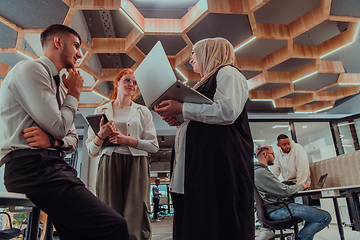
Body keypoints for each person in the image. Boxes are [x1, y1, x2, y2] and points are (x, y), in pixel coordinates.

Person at [0, 24, 129, 239]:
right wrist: (75, 93)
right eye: (76, 46)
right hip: (31, 168)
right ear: (58, 42)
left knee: (79, 234)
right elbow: (60, 128)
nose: (79, 54)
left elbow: (69, 139)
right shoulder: (31, 69)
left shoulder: (60, 88)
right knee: (115, 226)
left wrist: (53, 142)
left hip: (54, 167)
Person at [154, 37, 254, 240]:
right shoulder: (206, 81)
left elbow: (227, 112)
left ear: (210, 52)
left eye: (193, 53)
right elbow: (204, 117)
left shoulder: (228, 72)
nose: (190, 60)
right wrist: (180, 120)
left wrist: (182, 108)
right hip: (199, 168)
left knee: (215, 223)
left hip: (218, 166)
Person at [86, 68, 159, 240]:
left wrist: (127, 140)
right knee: (109, 210)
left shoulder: (143, 111)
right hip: (109, 162)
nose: (131, 85)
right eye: (127, 80)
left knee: (136, 213)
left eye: (135, 82)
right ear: (117, 82)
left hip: (137, 163)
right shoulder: (100, 110)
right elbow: (91, 150)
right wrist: (101, 136)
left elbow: (154, 145)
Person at [254, 144, 331, 240]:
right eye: (272, 154)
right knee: (325, 217)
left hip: (271, 209)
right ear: (265, 155)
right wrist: (301, 186)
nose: (274, 156)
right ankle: (298, 238)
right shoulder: (261, 172)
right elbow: (284, 191)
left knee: (314, 215)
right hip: (276, 210)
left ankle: (297, 237)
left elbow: (278, 189)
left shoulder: (257, 171)